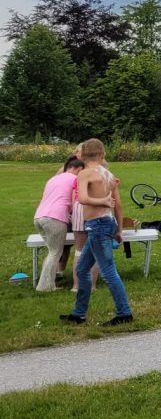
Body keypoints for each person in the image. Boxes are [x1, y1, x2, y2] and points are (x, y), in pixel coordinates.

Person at [62, 138, 133, 326]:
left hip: (97, 225)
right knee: (82, 268)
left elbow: (83, 198)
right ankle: (79, 313)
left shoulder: (84, 174)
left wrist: (101, 202)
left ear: (83, 156)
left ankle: (124, 313)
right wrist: (119, 230)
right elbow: (118, 205)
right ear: (103, 155)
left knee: (108, 271)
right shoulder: (109, 175)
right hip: (107, 223)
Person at [34, 156, 83, 291]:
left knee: (52, 252)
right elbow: (75, 202)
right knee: (55, 252)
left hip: (39, 217)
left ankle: (46, 283)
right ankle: (45, 286)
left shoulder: (53, 179)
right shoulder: (75, 179)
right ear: (78, 169)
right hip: (55, 218)